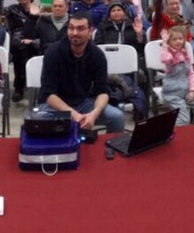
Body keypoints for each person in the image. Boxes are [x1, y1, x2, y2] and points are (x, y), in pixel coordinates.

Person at [35, 14, 127, 142]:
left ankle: (112, 149)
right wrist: (75, 115)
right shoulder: (53, 52)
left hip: (83, 103)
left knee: (117, 116)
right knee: (39, 120)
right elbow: (49, 95)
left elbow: (103, 91)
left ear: (90, 31)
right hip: (54, 106)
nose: (74, 33)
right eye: (71, 28)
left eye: (80, 28)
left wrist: (94, 114)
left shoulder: (97, 55)